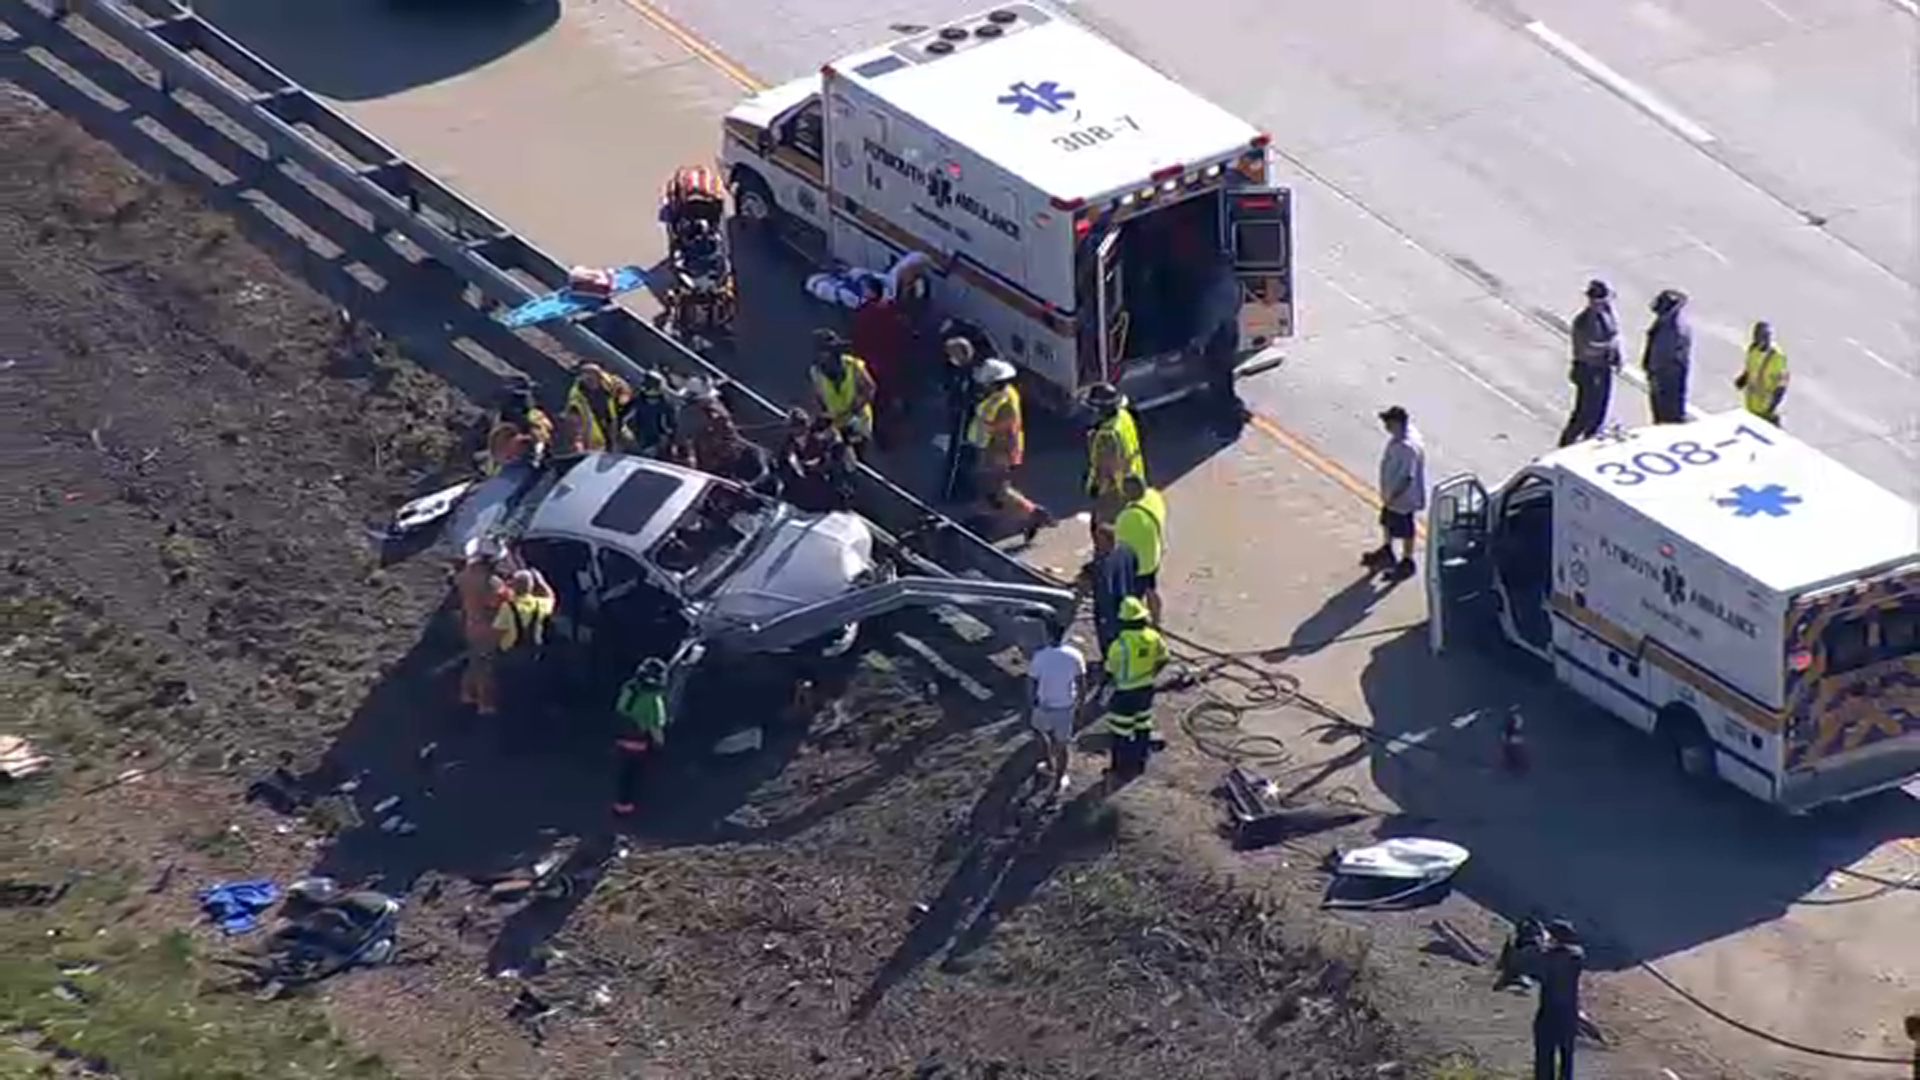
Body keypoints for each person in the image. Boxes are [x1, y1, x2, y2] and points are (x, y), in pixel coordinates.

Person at [968, 358, 1050, 541]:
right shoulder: (1005, 394)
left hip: (999, 450)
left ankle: (1032, 514)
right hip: (997, 448)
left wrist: (984, 423)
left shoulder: (1003, 402)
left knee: (1000, 489)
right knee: (989, 486)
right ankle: (994, 518)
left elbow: (997, 426)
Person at [1102, 596, 1167, 782]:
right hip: (1146, 690)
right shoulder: (1154, 637)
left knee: (1121, 732)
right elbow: (1164, 658)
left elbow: (1109, 671)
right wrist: (1151, 674)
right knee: (1142, 726)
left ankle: (1119, 770)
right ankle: (1139, 764)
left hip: (1124, 694)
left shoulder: (1119, 645)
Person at [1187, 251, 1249, 435]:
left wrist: (1198, 343)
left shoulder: (1218, 290)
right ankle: (1230, 409)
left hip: (1219, 341)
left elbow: (1212, 320)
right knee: (1225, 378)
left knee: (1219, 382)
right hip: (1230, 334)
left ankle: (1224, 420)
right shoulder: (1234, 283)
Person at [849, 276, 914, 447]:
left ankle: (872, 435)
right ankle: (887, 434)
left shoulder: (866, 312)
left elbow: (859, 338)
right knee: (885, 398)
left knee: (871, 401)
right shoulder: (891, 310)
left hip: (870, 363)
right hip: (890, 363)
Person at [1083, 382, 1145, 559]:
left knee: (1102, 529)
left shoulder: (1106, 436)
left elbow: (1105, 469)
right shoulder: (1124, 417)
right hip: (1132, 479)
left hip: (1113, 490)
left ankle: (1105, 566)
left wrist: (1096, 490)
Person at [1363, 405, 1426, 581]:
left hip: (1402, 498)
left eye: (1388, 423)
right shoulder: (1402, 436)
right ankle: (1387, 551)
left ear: (1397, 423)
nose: (1385, 427)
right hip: (1392, 495)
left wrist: (1393, 497)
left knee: (1405, 529)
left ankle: (1407, 561)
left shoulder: (1406, 447)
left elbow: (1407, 477)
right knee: (1387, 522)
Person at [1025, 618, 1086, 795]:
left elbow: (1031, 683)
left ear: (1048, 635)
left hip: (1043, 706)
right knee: (1062, 745)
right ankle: (1059, 780)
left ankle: (1048, 764)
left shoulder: (1040, 656)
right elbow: (1081, 683)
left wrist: (1031, 703)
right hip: (1065, 707)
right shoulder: (1075, 655)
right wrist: (1080, 705)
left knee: (1039, 732)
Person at [1558, 279, 1621, 447]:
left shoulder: (1608, 313)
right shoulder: (1584, 321)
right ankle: (1566, 444)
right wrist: (1607, 347)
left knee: (1600, 410)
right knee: (1584, 413)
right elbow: (1585, 348)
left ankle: (1590, 440)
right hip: (1589, 370)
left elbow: (1614, 334)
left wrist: (1617, 355)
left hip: (1603, 367)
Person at [1525, 919, 1586, 1080]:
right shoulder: (1577, 957)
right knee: (1567, 1059)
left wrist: (1537, 943)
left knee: (1544, 1058)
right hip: (1569, 1015)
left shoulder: (1549, 958)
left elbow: (1535, 973)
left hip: (1549, 1014)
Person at [611, 657, 671, 816]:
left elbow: (620, 708)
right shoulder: (654, 700)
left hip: (622, 736)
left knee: (625, 773)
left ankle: (621, 806)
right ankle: (638, 806)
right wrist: (660, 744)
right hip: (639, 741)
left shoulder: (629, 688)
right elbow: (655, 727)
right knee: (639, 774)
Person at [455, 549, 511, 716]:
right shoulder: (492, 583)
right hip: (488, 628)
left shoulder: (466, 575)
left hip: (471, 623)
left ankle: (467, 693)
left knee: (474, 660)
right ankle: (485, 703)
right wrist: (509, 589)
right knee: (486, 666)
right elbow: (498, 602)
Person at [493, 567, 555, 715]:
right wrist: (541, 581)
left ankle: (511, 713)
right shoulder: (540, 604)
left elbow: (498, 632)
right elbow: (552, 598)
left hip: (511, 655)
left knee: (510, 689)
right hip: (534, 654)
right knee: (531, 687)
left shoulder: (508, 607)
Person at [692, 401, 780, 496]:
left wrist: (749, 485)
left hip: (756, 484)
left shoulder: (751, 452)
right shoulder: (704, 439)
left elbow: (764, 471)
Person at [1111, 475, 1166, 625]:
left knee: (1131, 597)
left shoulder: (1127, 516)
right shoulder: (1154, 497)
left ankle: (1135, 623)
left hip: (1138, 565)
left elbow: (1119, 543)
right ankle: (1157, 622)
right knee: (1151, 590)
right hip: (1153, 554)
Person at [809, 329, 877, 450]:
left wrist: (854, 410)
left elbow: (870, 388)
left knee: (853, 451)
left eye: (830, 350)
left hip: (858, 422)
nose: (826, 355)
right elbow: (818, 398)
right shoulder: (816, 372)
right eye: (824, 351)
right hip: (836, 423)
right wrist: (822, 417)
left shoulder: (853, 365)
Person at [940, 335, 986, 503]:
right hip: (961, 418)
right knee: (962, 456)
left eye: (952, 354)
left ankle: (954, 492)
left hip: (966, 420)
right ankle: (960, 488)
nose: (949, 357)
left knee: (960, 456)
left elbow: (971, 397)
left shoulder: (972, 374)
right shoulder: (957, 370)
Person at [1643, 288, 1692, 424]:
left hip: (1667, 375)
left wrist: (1654, 372)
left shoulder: (1674, 329)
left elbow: (1663, 354)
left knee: (1667, 411)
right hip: (1664, 372)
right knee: (1662, 409)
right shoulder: (1665, 323)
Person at [562, 363, 633, 454]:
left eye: (593, 377)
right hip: (595, 430)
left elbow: (624, 390)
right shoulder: (577, 396)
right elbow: (574, 419)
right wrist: (578, 439)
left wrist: (623, 402)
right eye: (586, 377)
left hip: (616, 421)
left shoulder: (610, 382)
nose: (590, 381)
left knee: (629, 442)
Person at [486, 385, 553, 474]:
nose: (514, 457)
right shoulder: (529, 458)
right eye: (510, 458)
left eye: (509, 456)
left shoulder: (519, 411)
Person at [1734, 320, 1788, 426]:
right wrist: (1743, 379)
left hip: (1766, 410)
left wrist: (1773, 405)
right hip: (1751, 405)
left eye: (1763, 337)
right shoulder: (1753, 349)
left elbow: (1782, 384)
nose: (1760, 340)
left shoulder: (1777, 357)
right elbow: (1751, 368)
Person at [620, 369, 681, 460]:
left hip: (658, 447)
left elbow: (672, 427)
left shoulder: (667, 405)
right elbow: (623, 420)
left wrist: (663, 443)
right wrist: (628, 436)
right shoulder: (637, 402)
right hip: (637, 443)